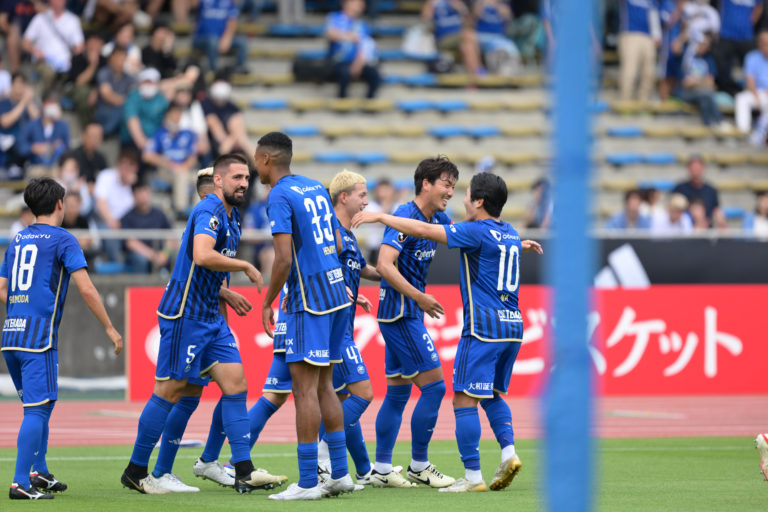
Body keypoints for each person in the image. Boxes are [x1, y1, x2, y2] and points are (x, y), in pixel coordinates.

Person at [352, 172, 543, 492]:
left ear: (479, 202)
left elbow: (423, 230)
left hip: (483, 328)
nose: (456, 195)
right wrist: (517, 246)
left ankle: (467, 476)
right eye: (448, 185)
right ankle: (507, 452)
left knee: (460, 399)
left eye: (462, 191)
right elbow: (391, 258)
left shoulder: (470, 229)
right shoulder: (508, 232)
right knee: (486, 395)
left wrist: (381, 216)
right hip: (512, 325)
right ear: (426, 183)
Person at [121, 153, 270, 495]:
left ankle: (243, 470)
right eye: (236, 178)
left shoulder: (233, 217)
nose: (243, 184)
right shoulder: (209, 209)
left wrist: (225, 294)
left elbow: (204, 269)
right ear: (218, 181)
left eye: (246, 178)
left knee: (236, 385)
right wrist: (245, 265)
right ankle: (136, 470)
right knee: (170, 392)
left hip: (211, 317)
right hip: (185, 316)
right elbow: (202, 255)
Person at [1, 177, 123, 500]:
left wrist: (22, 304)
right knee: (37, 410)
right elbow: (87, 288)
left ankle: (38, 470)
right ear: (59, 204)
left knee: (41, 404)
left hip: (11, 335)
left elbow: (2, 288)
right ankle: (20, 483)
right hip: (38, 339)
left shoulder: (18, 239)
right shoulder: (63, 239)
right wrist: (110, 327)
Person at [255, 132, 355, 500]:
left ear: (266, 159)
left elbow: (282, 259)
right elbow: (339, 242)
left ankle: (309, 482)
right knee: (326, 385)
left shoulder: (279, 195)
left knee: (304, 390)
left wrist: (268, 301)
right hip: (337, 293)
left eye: (256, 160)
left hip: (308, 300)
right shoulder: (314, 186)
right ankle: (340, 473)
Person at [368, 156, 459, 489]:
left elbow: (469, 237)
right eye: (446, 184)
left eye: (453, 186)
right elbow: (384, 264)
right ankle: (419, 465)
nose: (450, 192)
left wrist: (511, 243)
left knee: (397, 394)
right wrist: (419, 297)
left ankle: (381, 468)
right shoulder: (404, 215)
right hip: (401, 313)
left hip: (404, 313)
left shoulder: (438, 218)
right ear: (426, 183)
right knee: (434, 388)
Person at [142, 103, 199, 214]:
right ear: (167, 116)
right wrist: (168, 164)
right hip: (165, 171)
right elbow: (147, 156)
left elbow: (193, 157)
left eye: (179, 115)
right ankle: (181, 211)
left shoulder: (187, 134)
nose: (176, 118)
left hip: (184, 169)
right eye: (174, 115)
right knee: (181, 176)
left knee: (203, 178)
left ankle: (198, 211)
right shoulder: (159, 133)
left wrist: (183, 167)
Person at [22, 0, 84, 91]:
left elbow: (79, 46)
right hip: (43, 62)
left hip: (64, 65)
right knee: (48, 73)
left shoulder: (73, 20)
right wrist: (35, 51)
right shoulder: (40, 18)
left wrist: (72, 59)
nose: (58, 2)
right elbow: (25, 42)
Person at [325, 0, 381, 99]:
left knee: (374, 75)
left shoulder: (362, 25)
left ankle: (369, 102)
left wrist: (358, 64)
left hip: (357, 61)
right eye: (356, 2)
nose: (360, 5)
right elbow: (330, 34)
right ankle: (342, 101)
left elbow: (366, 46)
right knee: (344, 73)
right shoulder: (334, 17)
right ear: (346, 4)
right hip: (338, 61)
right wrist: (349, 37)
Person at [94, 147, 139, 262]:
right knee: (111, 235)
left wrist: (134, 185)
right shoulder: (106, 175)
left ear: (136, 168)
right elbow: (101, 202)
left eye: (130, 165)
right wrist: (110, 220)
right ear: (118, 164)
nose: (126, 168)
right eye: (123, 164)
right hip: (104, 221)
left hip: (126, 224)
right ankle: (117, 267)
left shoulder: (135, 187)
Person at [675, 32, 726, 128]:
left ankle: (707, 125)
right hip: (684, 93)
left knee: (705, 97)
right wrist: (703, 81)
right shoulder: (687, 56)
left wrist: (695, 81)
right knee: (707, 94)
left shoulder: (709, 59)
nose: (703, 46)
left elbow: (711, 82)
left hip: (701, 93)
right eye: (701, 43)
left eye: (706, 44)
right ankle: (719, 121)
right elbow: (686, 83)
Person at [120, 182, 173, 273]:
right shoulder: (127, 217)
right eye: (139, 192)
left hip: (160, 253)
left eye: (145, 191)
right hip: (139, 254)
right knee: (140, 259)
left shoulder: (159, 214)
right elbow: (130, 243)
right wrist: (153, 255)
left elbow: (170, 237)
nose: (143, 195)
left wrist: (165, 253)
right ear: (133, 195)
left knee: (177, 256)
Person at [713, 0, 764, 96]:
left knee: (752, 64)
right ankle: (722, 91)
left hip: (746, 35)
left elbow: (759, 7)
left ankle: (754, 91)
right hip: (726, 34)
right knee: (721, 67)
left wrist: (750, 22)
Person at [422, 0, 483, 76]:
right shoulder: (435, 2)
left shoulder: (457, 2)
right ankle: (480, 71)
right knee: (469, 34)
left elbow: (469, 23)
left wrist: (461, 9)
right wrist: (431, 5)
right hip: (443, 38)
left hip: (459, 38)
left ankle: (475, 74)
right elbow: (425, 18)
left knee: (467, 46)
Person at [202, 75, 254, 162]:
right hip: (214, 143)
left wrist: (232, 138)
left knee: (240, 136)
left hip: (232, 141)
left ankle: (259, 165)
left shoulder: (232, 107)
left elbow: (239, 127)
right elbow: (214, 126)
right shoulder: (206, 104)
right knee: (229, 143)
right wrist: (232, 139)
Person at [618, 0, 660, 102]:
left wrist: (657, 34)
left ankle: (644, 102)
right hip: (630, 33)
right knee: (630, 71)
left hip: (648, 36)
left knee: (649, 73)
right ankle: (625, 101)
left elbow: (654, 15)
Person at [193, 0, 248, 74]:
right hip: (201, 38)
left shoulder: (228, 3)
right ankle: (213, 70)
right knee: (213, 40)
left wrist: (227, 38)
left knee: (242, 42)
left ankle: (239, 67)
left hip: (221, 38)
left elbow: (233, 21)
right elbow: (193, 4)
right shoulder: (204, 1)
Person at [17, 93, 69, 170]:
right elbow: (20, 147)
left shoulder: (62, 126)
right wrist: (33, 148)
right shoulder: (31, 125)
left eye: (55, 103)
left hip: (55, 168)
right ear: (43, 104)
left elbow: (67, 148)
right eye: (50, 103)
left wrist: (58, 148)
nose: (53, 106)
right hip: (35, 167)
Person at [671, 155, 727, 228]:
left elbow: (717, 211)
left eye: (697, 168)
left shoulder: (711, 191)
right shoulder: (679, 189)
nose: (695, 171)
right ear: (688, 169)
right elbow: (673, 210)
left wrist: (721, 223)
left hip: (705, 229)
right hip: (684, 229)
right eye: (693, 168)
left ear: (703, 168)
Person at [121, 68, 168, 151]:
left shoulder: (161, 98)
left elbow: (165, 121)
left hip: (156, 142)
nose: (148, 85)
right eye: (146, 82)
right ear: (140, 83)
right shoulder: (133, 97)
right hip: (131, 143)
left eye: (151, 82)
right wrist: (145, 145)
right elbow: (132, 120)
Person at [0, 73, 38, 176]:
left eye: (22, 86)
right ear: (11, 86)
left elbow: (37, 121)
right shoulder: (4, 103)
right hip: (8, 146)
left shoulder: (30, 105)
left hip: (27, 146)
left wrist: (29, 101)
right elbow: (5, 122)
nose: (19, 90)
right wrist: (23, 102)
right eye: (17, 86)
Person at [67, 31, 106, 126]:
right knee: (83, 93)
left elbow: (105, 82)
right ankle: (88, 125)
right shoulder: (78, 58)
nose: (95, 46)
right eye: (93, 42)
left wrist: (96, 92)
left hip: (96, 89)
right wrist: (93, 65)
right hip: (74, 88)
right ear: (87, 43)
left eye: (99, 43)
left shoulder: (105, 61)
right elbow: (79, 82)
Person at [95, 45, 136, 137]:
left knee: (128, 111)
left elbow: (133, 98)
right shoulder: (104, 72)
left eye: (123, 58)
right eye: (118, 57)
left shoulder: (130, 78)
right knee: (123, 109)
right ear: (111, 58)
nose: (120, 61)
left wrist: (123, 100)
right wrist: (123, 100)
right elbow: (107, 95)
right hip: (104, 110)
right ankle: (105, 133)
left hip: (122, 113)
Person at [473, 0, 520, 76]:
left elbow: (509, 24)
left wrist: (506, 15)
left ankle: (508, 73)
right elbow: (472, 21)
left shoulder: (503, 4)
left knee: (510, 49)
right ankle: (481, 72)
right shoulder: (480, 3)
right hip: (481, 36)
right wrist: (477, 11)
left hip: (499, 38)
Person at [735, 30, 768, 134]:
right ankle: (743, 132)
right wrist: (756, 98)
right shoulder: (752, 57)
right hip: (758, 93)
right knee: (741, 99)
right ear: (759, 44)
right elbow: (750, 81)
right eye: (765, 44)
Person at [67, 123, 108, 188]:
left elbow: (105, 178)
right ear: (83, 136)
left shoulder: (101, 158)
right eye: (92, 136)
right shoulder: (72, 156)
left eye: (97, 137)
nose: (94, 140)